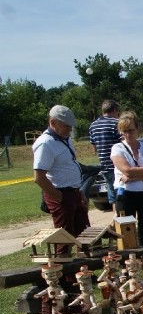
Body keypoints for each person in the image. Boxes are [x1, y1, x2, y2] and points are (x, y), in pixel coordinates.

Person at [32, 105, 91, 240]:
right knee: (65, 239)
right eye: (66, 126)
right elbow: (39, 177)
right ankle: (62, 261)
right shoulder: (45, 143)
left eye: (71, 126)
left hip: (74, 192)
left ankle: (84, 261)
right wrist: (59, 197)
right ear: (53, 123)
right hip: (61, 194)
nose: (70, 129)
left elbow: (69, 165)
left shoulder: (65, 139)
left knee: (85, 236)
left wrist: (79, 191)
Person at [111, 111, 143, 246]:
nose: (128, 134)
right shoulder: (117, 148)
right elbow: (127, 170)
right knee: (126, 234)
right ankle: (128, 261)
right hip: (126, 195)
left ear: (138, 129)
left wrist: (133, 177)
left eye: (131, 130)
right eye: (124, 131)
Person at [88, 99, 122, 209]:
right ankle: (123, 219)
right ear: (114, 110)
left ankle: (116, 218)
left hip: (104, 164)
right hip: (118, 165)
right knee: (122, 193)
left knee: (112, 193)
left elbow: (94, 148)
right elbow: (123, 144)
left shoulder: (93, 125)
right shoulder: (115, 123)